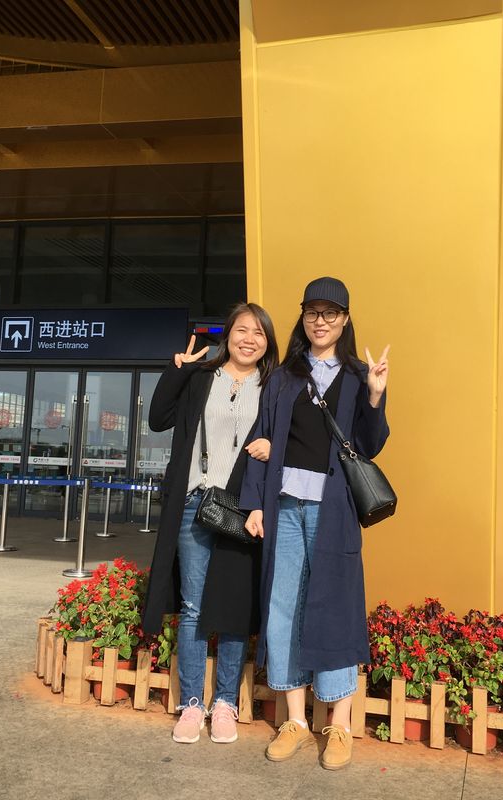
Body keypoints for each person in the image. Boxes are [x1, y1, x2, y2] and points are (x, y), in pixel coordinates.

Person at [241, 277, 390, 770]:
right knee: (283, 607)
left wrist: (375, 396)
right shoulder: (284, 377)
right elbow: (261, 438)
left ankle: (339, 724)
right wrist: (255, 504)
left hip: (334, 512)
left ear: (345, 319)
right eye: (312, 312)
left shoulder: (358, 375)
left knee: (336, 607)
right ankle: (295, 721)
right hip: (284, 507)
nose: (320, 321)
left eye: (330, 313)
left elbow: (369, 445)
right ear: (303, 316)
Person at [142, 302, 279, 746]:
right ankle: (191, 704)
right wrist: (177, 370)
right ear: (228, 335)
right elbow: (158, 419)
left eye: (259, 333)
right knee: (194, 606)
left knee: (234, 606)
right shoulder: (202, 378)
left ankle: (224, 703)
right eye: (242, 330)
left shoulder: (274, 386)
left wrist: (272, 447)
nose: (249, 339)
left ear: (268, 343)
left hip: (242, 509)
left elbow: (291, 440)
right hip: (193, 503)